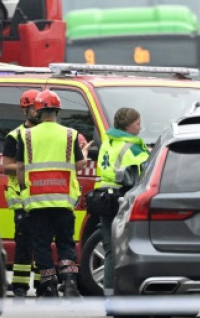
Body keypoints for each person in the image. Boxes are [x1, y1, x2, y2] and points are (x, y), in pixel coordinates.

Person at [16, 90, 87, 298]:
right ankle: (70, 282)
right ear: (57, 110)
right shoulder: (70, 134)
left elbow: (20, 168)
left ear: (37, 111)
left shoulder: (26, 135)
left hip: (36, 202)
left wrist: (23, 189)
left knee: (41, 244)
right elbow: (78, 165)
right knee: (66, 243)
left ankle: (48, 285)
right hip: (63, 199)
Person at [95, 107, 149, 297]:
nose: (140, 128)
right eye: (138, 124)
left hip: (103, 197)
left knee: (110, 250)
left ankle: (109, 297)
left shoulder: (108, 141)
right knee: (128, 250)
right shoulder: (132, 145)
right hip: (122, 198)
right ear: (128, 126)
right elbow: (149, 167)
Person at [3, 89, 41, 299]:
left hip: (44, 196)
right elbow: (6, 166)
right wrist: (26, 167)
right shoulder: (14, 136)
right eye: (36, 108)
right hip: (22, 199)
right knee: (24, 245)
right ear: (25, 109)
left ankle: (43, 284)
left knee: (43, 245)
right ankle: (19, 286)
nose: (39, 112)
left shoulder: (48, 135)